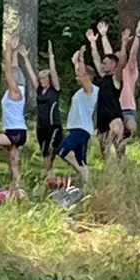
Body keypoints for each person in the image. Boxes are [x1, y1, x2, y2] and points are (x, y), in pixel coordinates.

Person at [0, 39, 32, 192]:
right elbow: (14, 68)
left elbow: (8, 70)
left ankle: (7, 146)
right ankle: (18, 188)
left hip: (16, 132)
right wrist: (14, 53)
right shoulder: (18, 90)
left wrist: (7, 49)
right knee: (13, 163)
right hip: (16, 131)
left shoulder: (16, 91)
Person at [58, 47, 98, 187]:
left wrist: (81, 58)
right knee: (81, 160)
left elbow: (83, 74)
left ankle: (81, 172)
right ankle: (88, 186)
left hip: (82, 128)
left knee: (62, 150)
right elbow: (80, 73)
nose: (77, 77)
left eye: (80, 75)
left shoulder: (91, 90)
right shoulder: (81, 91)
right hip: (77, 128)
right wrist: (76, 62)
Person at [88, 23, 124, 161]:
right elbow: (97, 59)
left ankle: (123, 170)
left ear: (113, 65)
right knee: (104, 148)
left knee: (118, 145)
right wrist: (93, 43)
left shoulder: (116, 78)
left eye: (106, 63)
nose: (102, 65)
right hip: (102, 118)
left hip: (114, 116)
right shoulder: (103, 78)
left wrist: (104, 36)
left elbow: (119, 61)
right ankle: (109, 175)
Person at [36, 41, 64, 185]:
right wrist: (25, 58)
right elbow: (30, 74)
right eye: (40, 78)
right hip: (41, 125)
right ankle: (50, 178)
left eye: (44, 78)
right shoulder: (40, 91)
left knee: (54, 150)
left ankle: (52, 177)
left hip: (54, 124)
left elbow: (53, 72)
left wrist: (51, 56)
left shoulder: (55, 90)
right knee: (45, 152)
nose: (42, 81)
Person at [117, 20, 140, 146]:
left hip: (128, 109)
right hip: (115, 109)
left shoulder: (129, 70)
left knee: (131, 129)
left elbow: (133, 54)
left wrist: (137, 35)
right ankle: (115, 162)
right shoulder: (113, 74)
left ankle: (123, 150)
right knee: (115, 137)